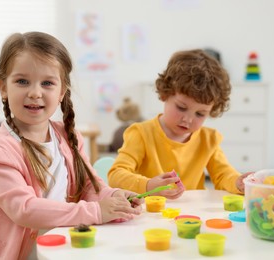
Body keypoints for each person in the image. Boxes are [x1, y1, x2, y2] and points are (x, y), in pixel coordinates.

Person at [0, 32, 143, 260]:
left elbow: (88, 187)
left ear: (62, 91)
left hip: (63, 246)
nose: (35, 93)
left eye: (47, 83)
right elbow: (25, 209)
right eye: (22, 81)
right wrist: (96, 211)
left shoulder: (68, 136)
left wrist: (115, 197)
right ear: (3, 87)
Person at [108, 49, 253, 199]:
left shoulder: (209, 140)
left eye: (200, 114)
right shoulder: (141, 134)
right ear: (165, 94)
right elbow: (116, 175)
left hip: (191, 215)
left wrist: (237, 182)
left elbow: (223, 175)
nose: (188, 119)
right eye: (181, 107)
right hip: (150, 213)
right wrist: (148, 185)